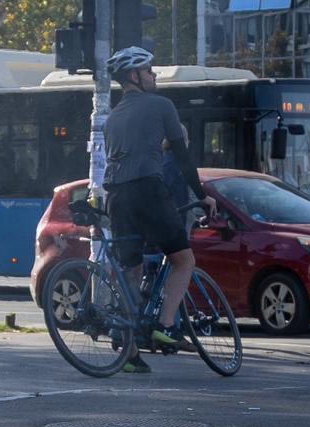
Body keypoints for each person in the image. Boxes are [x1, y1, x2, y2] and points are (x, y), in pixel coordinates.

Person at [102, 47, 216, 372]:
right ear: (135, 75)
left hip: (116, 198)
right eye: (150, 71)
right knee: (184, 259)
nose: (154, 77)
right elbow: (181, 157)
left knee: (131, 273)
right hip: (148, 191)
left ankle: (130, 352)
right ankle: (165, 326)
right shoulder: (161, 105)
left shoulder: (112, 118)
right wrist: (203, 195)